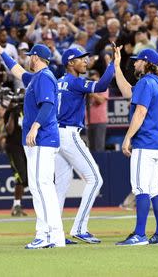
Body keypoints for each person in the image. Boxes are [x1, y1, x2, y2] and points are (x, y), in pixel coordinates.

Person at [0, 34, 65, 249]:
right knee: (37, 186)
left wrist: (34, 126)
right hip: (36, 140)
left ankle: (53, 235)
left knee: (43, 186)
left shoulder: (44, 77)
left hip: (42, 138)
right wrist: (1, 53)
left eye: (31, 56)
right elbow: (17, 70)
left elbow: (48, 105)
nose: (28, 59)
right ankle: (44, 234)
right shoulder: (36, 77)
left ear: (36, 58)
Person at [55, 46, 116, 245]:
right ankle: (80, 227)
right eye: (81, 59)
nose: (85, 61)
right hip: (68, 133)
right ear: (70, 63)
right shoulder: (74, 81)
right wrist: (113, 63)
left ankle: (53, 232)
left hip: (56, 134)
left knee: (61, 186)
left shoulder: (60, 82)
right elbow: (101, 86)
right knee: (95, 179)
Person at [114, 48, 158, 246]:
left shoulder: (145, 82)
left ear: (147, 63)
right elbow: (128, 92)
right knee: (154, 188)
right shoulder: (154, 82)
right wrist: (116, 66)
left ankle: (139, 234)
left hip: (146, 143)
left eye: (138, 61)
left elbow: (139, 112)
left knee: (140, 188)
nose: (135, 63)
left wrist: (127, 138)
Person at [3, 97, 28, 217]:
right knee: (20, 176)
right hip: (13, 147)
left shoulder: (28, 110)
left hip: (26, 147)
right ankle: (16, 205)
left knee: (26, 178)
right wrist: (12, 113)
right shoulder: (9, 112)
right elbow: (9, 130)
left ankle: (17, 206)